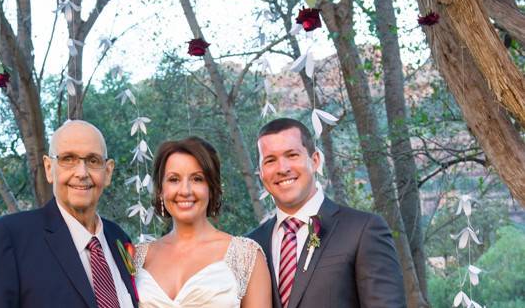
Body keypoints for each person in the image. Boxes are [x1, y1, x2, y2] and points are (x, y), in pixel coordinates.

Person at [0, 120, 138, 308]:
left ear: (107, 172)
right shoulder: (8, 237)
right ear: (49, 168)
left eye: (93, 161)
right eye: (68, 159)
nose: (82, 173)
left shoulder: (120, 239)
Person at [248, 118, 406, 308]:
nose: (283, 168)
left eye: (292, 155)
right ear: (261, 172)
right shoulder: (251, 246)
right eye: (270, 160)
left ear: (315, 160)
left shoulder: (362, 230)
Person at [134, 136, 272, 308]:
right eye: (174, 179)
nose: (185, 190)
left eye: (197, 179)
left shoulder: (246, 256)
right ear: (161, 190)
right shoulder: (137, 257)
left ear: (212, 189)